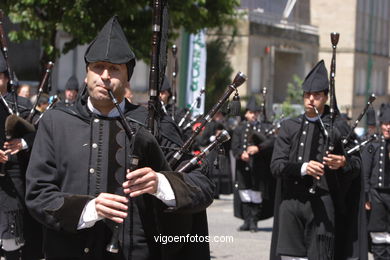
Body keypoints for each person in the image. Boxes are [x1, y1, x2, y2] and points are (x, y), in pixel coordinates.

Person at [25, 16, 214, 260]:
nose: (105, 75)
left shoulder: (154, 123)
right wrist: (89, 208)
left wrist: (161, 183)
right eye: (97, 67)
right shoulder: (55, 122)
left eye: (114, 68)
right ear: (86, 74)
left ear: (127, 78)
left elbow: (203, 185)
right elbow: (38, 194)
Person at [269, 60, 361, 260]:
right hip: (291, 203)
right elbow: (276, 166)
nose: (311, 99)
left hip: (323, 205)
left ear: (326, 97)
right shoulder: (288, 127)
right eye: (307, 95)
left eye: (317, 95)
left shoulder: (340, 128)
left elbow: (357, 165)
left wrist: (343, 163)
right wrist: (303, 168)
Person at [0, 52, 41, 260]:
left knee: (14, 241)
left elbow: (43, 135)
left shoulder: (22, 106)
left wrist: (23, 143)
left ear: (6, 78)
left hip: (16, 180)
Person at [231, 96, 275, 232]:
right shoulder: (239, 129)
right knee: (245, 194)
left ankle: (254, 222)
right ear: (246, 114)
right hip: (243, 168)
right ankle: (246, 221)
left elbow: (272, 142)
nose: (254, 115)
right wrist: (240, 154)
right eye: (251, 112)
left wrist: (258, 148)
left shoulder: (265, 127)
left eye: (256, 113)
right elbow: (235, 146)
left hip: (258, 168)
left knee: (256, 195)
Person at [363, 103, 390, 259]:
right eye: (386, 124)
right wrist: (367, 197)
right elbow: (365, 173)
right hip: (376, 196)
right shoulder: (373, 145)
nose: (388, 128)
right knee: (378, 237)